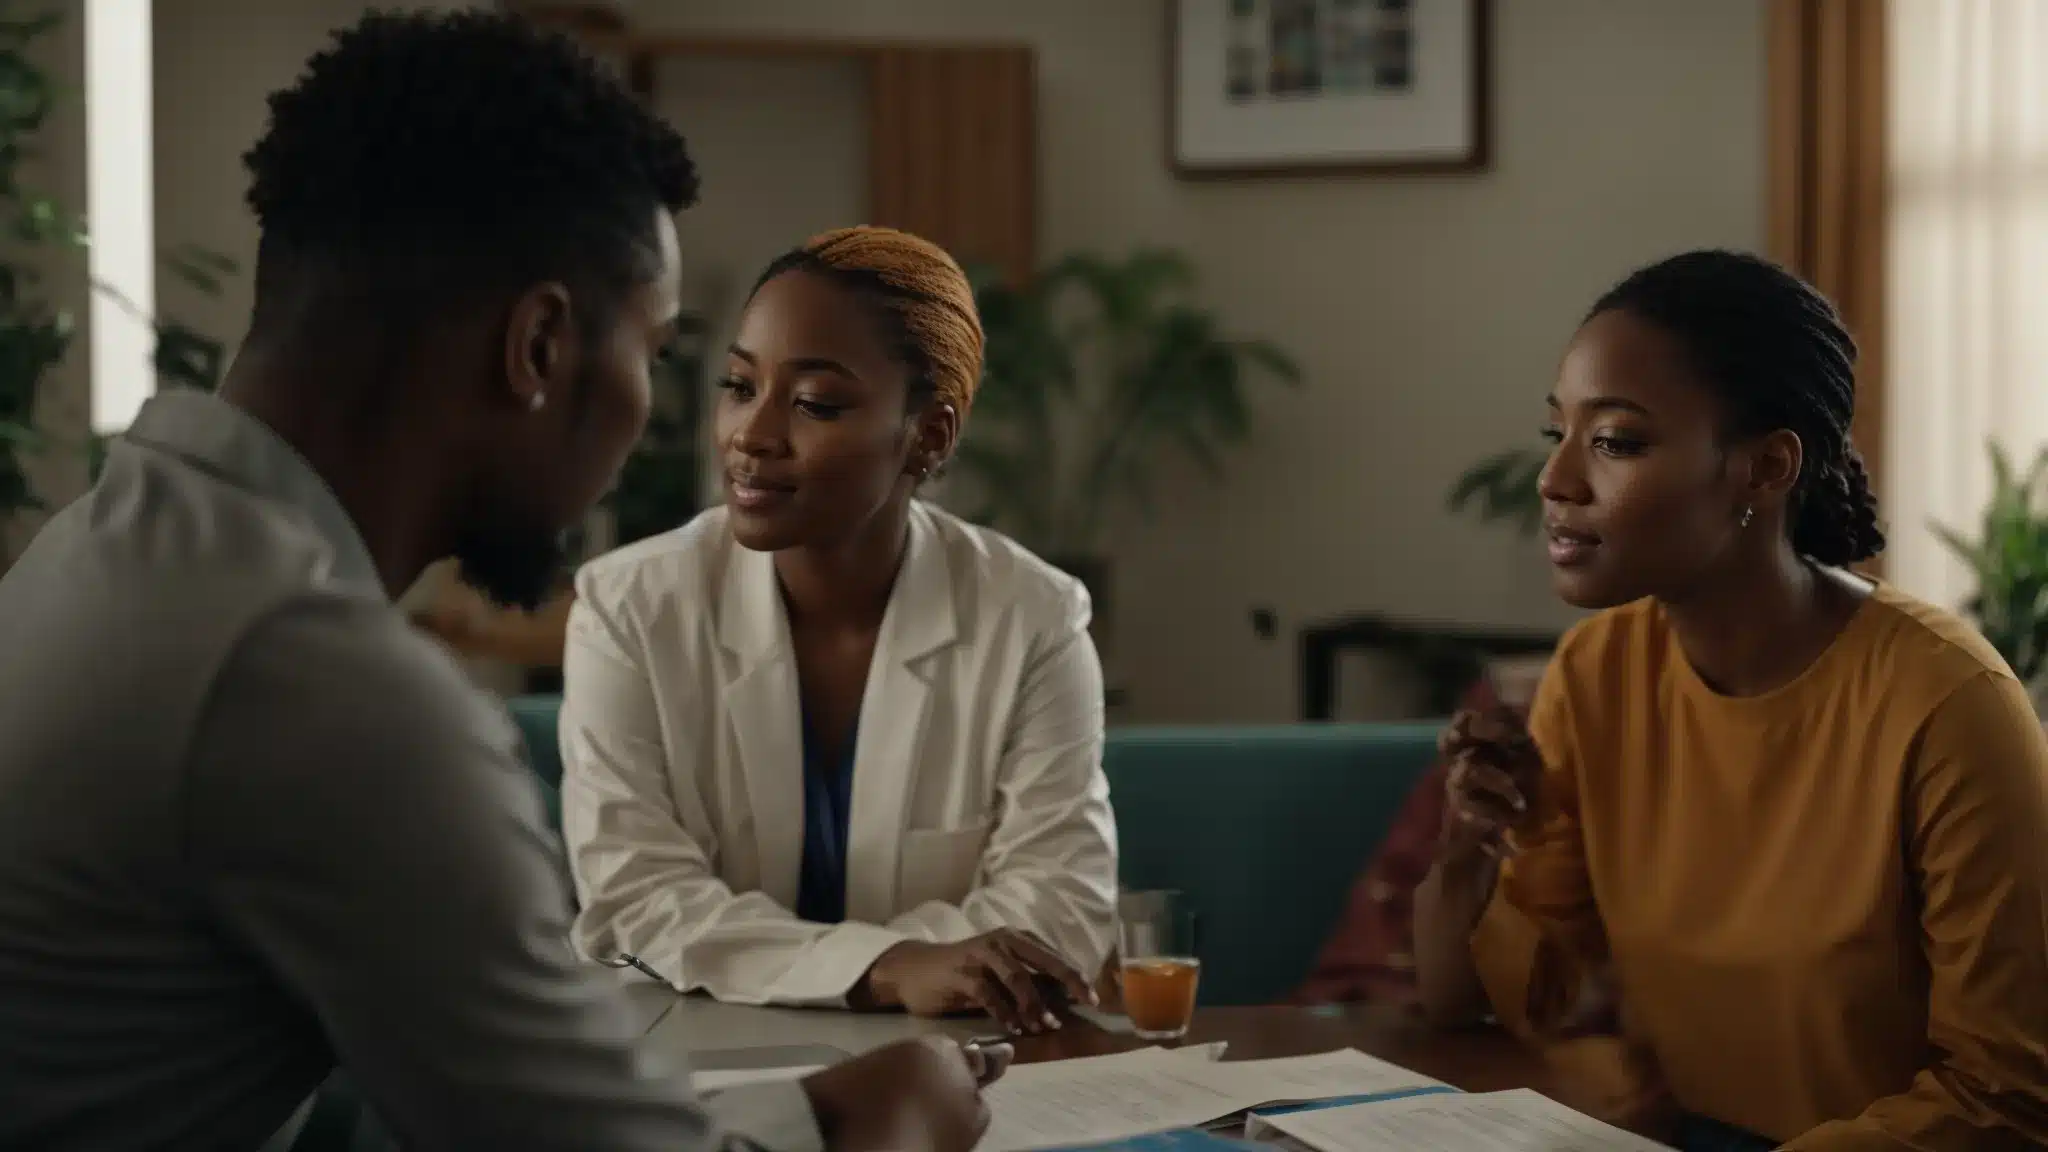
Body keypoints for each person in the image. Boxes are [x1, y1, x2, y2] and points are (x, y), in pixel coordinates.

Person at [0, 14, 1003, 1152]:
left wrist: (789, 1110)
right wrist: (865, 1127)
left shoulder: (88, 557)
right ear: (536, 347)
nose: (665, 427)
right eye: (659, 355)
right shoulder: (317, 691)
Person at [1412, 249, 2048, 1151]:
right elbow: (1500, 1004)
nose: (1556, 483)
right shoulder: (1598, 674)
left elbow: (2006, 1095)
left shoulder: (1948, 704)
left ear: (1765, 467)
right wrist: (1470, 843)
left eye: (1617, 442)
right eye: (1556, 433)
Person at [561, 226, 1118, 1034]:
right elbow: (636, 901)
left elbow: (1061, 906)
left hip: (952, 1062)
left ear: (929, 435)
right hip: (683, 1059)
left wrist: (872, 977)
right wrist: (888, 969)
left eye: (815, 403)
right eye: (739, 386)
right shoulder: (630, 608)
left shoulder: (1033, 618)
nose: (752, 435)